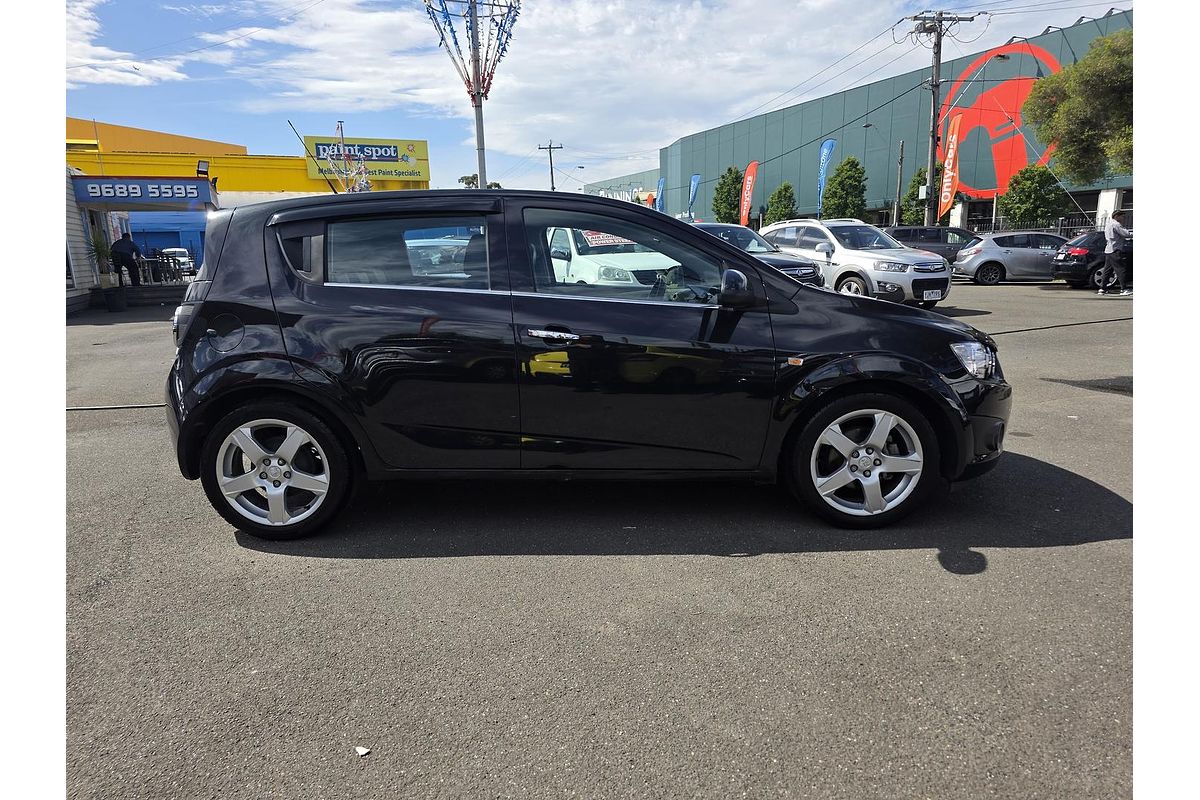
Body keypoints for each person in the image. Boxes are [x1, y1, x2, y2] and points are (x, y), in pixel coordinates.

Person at [1097, 210, 1132, 296]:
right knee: (1120, 269)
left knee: (1107, 270)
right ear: (1116, 216)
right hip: (1115, 250)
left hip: (1108, 250)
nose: (1123, 218)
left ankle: (1102, 288)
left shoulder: (1108, 224)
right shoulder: (1116, 224)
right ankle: (1123, 289)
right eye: (1122, 216)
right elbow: (1126, 234)